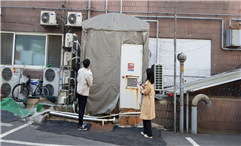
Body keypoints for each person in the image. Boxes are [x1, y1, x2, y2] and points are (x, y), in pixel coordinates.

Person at [76, 58, 93, 130]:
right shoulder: (88, 73)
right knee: (82, 109)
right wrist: (91, 77)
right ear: (89, 65)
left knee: (80, 108)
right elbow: (90, 83)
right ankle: (80, 125)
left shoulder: (80, 70)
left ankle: (81, 122)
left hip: (79, 91)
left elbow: (77, 79)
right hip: (84, 92)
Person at [140, 68, 155, 138]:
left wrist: (141, 89)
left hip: (147, 101)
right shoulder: (151, 82)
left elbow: (146, 92)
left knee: (147, 117)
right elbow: (147, 89)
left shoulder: (148, 82)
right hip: (149, 101)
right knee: (145, 117)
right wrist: (143, 86)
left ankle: (149, 133)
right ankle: (145, 131)